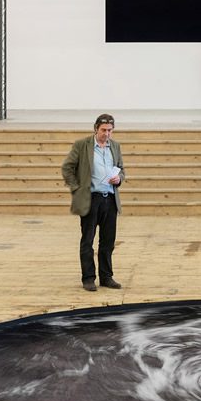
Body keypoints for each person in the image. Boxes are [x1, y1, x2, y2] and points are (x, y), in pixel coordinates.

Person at [61, 113, 125, 292]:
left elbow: (122, 170)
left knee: (108, 241)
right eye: (104, 130)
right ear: (96, 128)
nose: (107, 134)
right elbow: (67, 167)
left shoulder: (115, 146)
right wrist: (76, 188)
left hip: (110, 199)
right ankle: (88, 277)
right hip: (91, 198)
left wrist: (118, 179)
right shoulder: (82, 145)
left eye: (110, 130)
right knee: (87, 239)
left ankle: (106, 276)